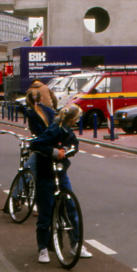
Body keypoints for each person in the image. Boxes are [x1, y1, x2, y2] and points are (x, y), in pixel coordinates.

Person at [29, 104, 91, 263]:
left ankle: (75, 244)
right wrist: (55, 152)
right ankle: (43, 248)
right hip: (46, 174)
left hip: (61, 173)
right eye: (77, 118)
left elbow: (74, 145)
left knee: (71, 209)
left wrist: (68, 150)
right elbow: (35, 144)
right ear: (73, 119)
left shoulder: (68, 132)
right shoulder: (54, 130)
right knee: (45, 213)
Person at [1, 89, 54, 214]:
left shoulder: (31, 114)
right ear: (41, 99)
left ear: (29, 101)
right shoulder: (50, 111)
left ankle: (14, 198)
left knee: (26, 171)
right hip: (53, 146)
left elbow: (36, 133)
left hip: (42, 147)